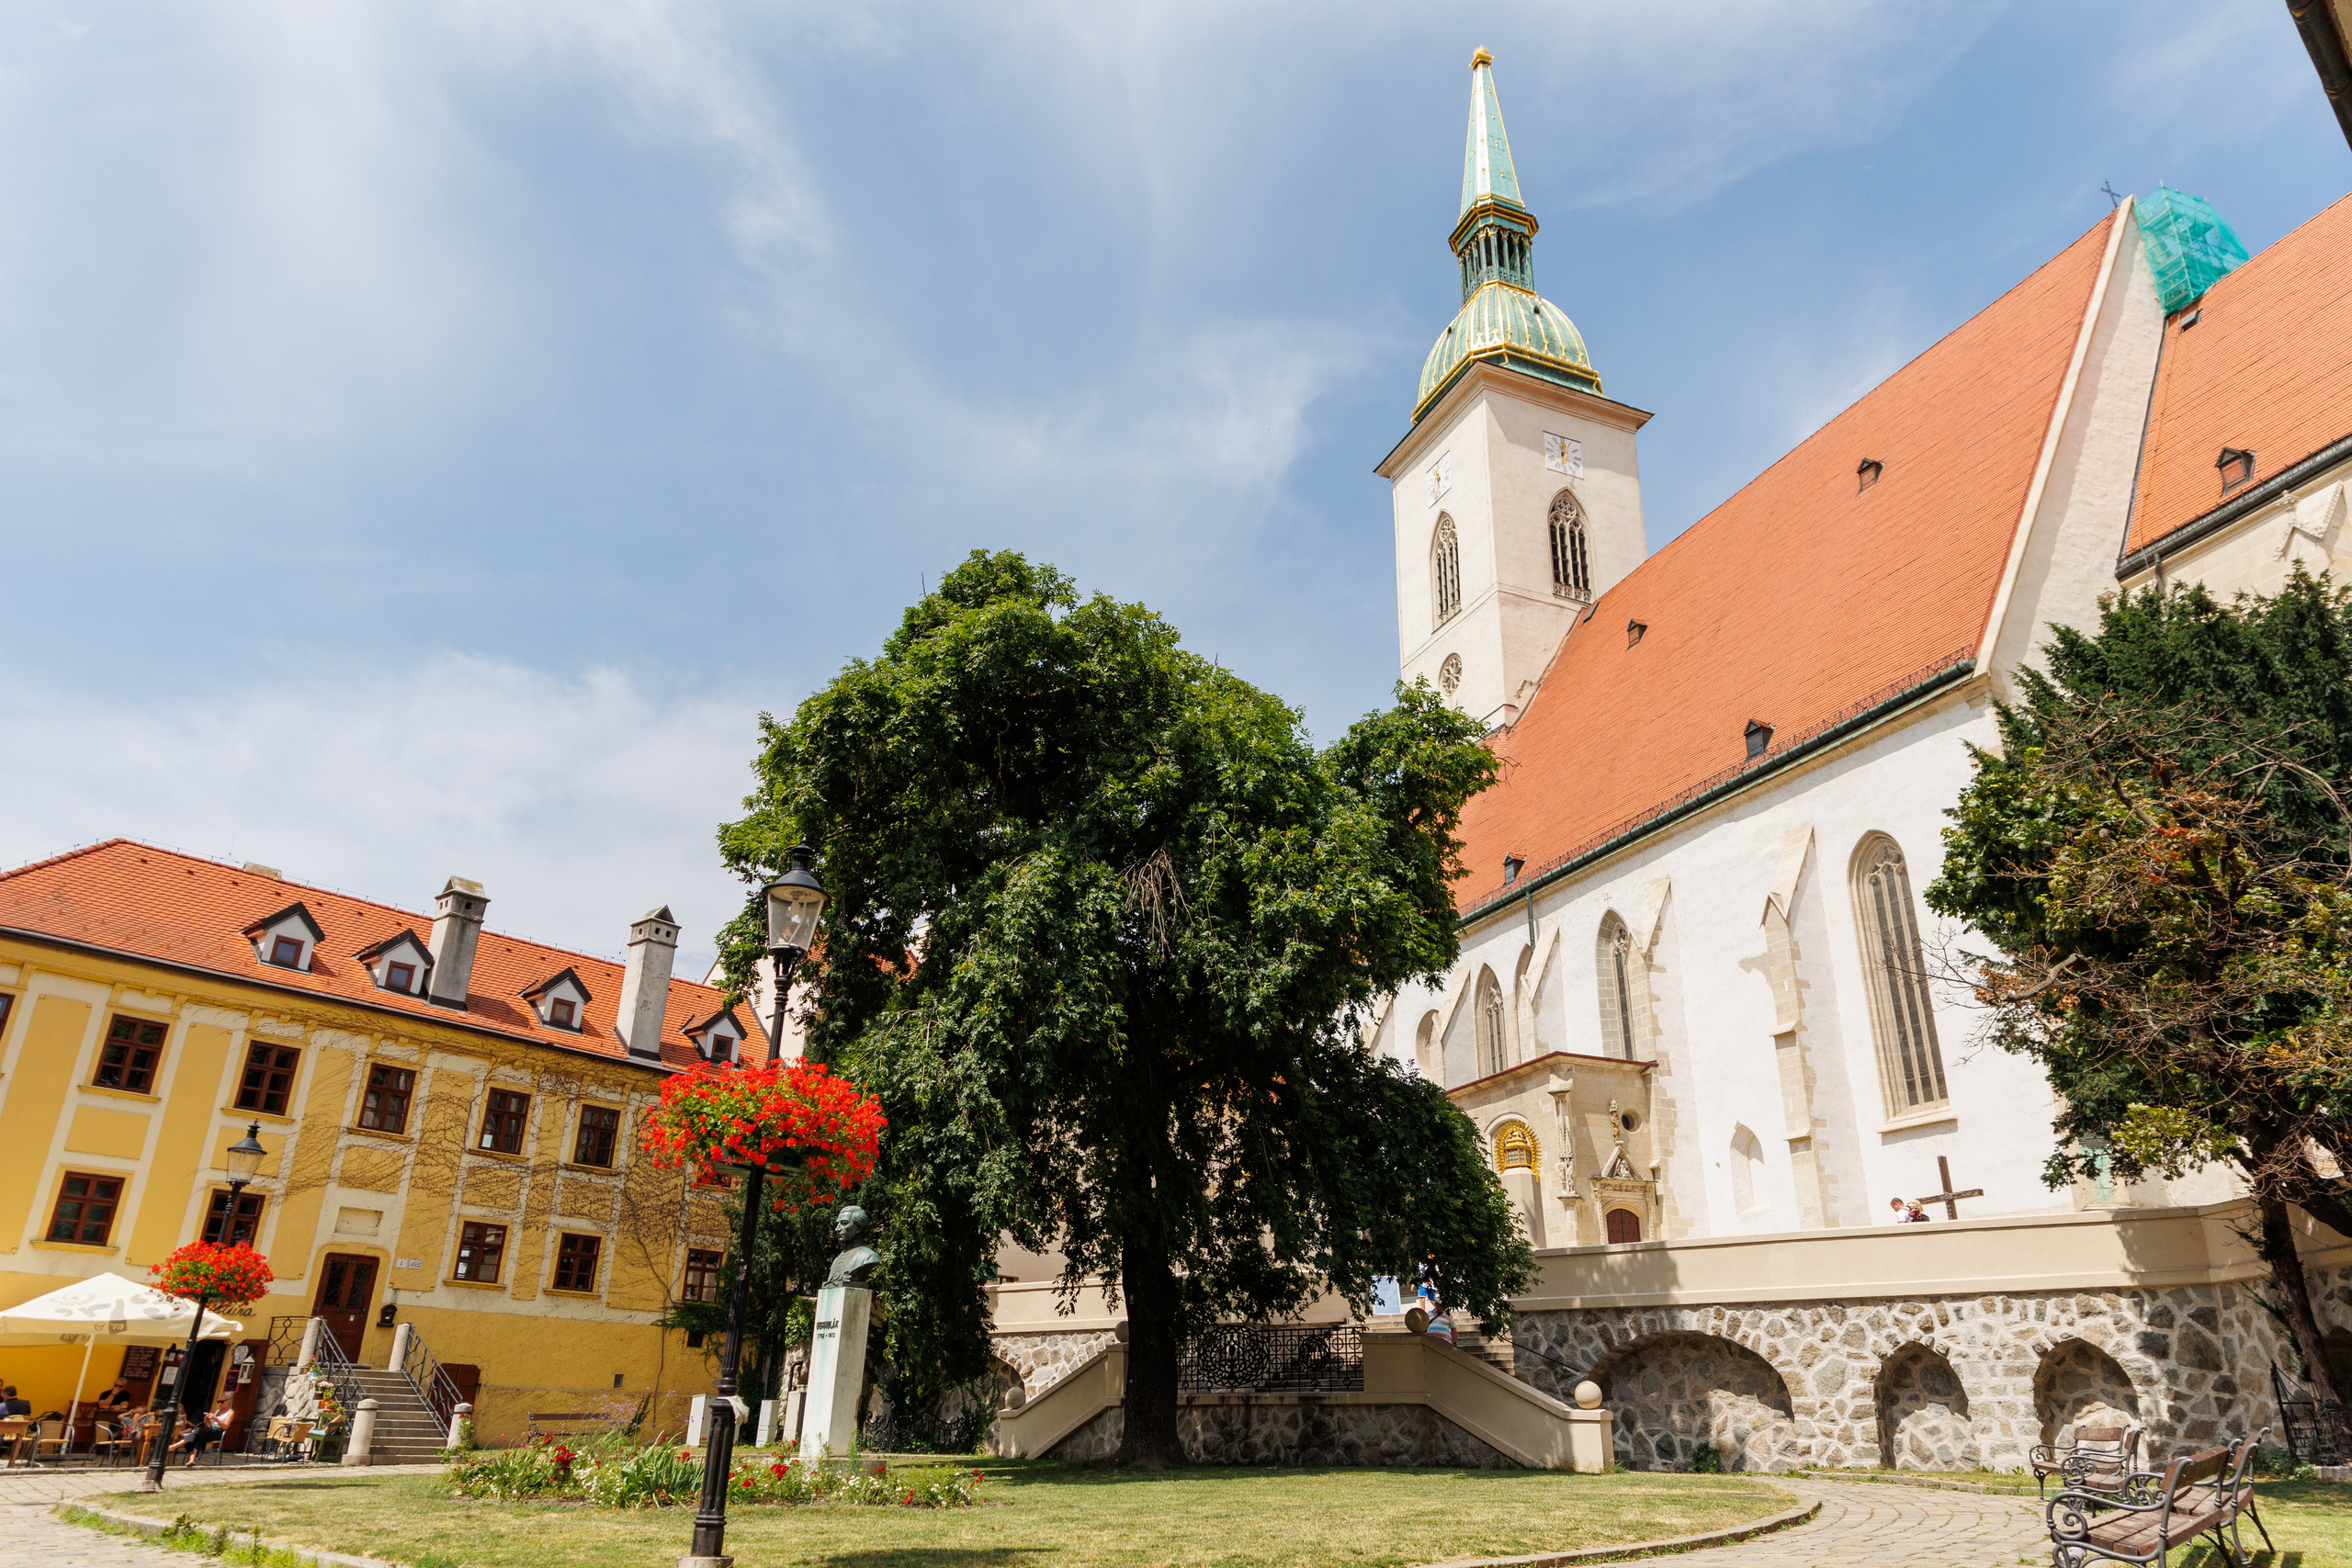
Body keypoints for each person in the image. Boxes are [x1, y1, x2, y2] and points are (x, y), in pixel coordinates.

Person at [168, 1397, 236, 1466]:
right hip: (210, 1431)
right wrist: (207, 1422)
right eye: (218, 1402)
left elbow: (225, 1426)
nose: (220, 1403)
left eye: (222, 1401)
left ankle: (175, 1446)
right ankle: (192, 1460)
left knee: (198, 1431)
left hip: (218, 1433)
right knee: (194, 1438)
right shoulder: (217, 1411)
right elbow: (209, 1426)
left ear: (228, 1401)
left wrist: (215, 1419)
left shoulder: (230, 1412)